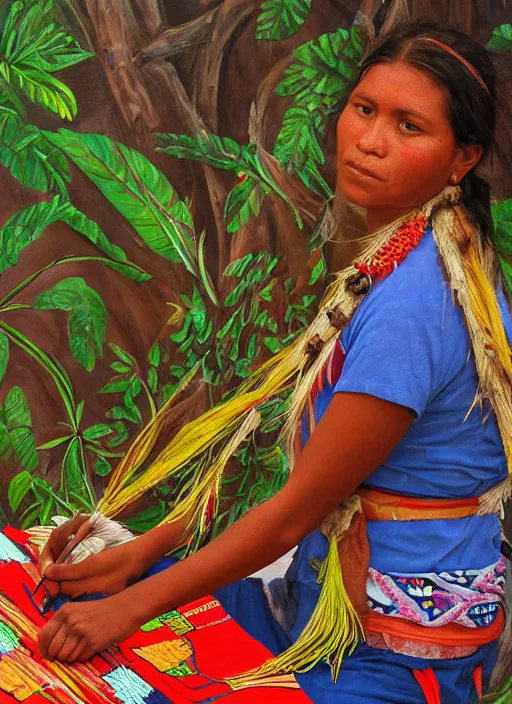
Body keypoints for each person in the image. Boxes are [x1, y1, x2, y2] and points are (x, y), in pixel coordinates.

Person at [36, 20, 511, 704]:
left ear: (461, 160)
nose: (371, 140)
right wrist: (138, 554)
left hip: (393, 659)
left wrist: (127, 606)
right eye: (366, 109)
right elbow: (285, 484)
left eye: (410, 127)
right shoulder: (407, 257)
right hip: (318, 608)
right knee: (87, 579)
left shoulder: (417, 304)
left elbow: (293, 515)